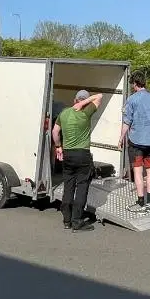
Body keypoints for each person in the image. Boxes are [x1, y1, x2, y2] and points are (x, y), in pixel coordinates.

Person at [51, 89, 104, 232]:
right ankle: (77, 221)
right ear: (86, 102)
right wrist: (83, 104)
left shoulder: (64, 113)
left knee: (68, 186)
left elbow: (54, 132)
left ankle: (66, 220)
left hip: (67, 154)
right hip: (82, 155)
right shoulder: (86, 112)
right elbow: (99, 96)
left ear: (74, 100)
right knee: (81, 187)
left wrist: (58, 147)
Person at [121, 73, 150, 212]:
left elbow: (127, 121)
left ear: (134, 84)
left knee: (138, 171)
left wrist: (121, 137)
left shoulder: (132, 99)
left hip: (136, 141)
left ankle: (140, 202)